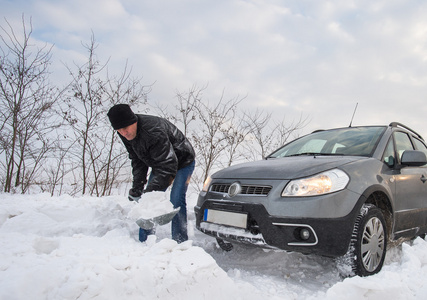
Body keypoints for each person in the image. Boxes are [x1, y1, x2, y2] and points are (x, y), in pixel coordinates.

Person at [107, 104, 195, 243]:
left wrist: (151, 193)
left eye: (125, 128)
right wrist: (138, 187)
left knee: (176, 198)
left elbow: (168, 165)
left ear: (133, 121)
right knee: (147, 198)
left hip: (183, 161)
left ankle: (180, 242)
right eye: (119, 130)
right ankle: (145, 241)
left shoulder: (154, 131)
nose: (123, 133)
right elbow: (137, 160)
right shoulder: (125, 134)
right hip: (160, 162)